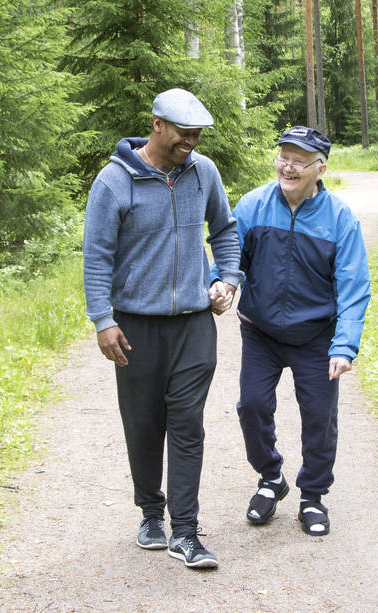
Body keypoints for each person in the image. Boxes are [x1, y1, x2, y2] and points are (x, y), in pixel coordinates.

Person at [82, 88, 241, 568]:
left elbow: (226, 230)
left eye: (196, 134)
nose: (190, 142)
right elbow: (96, 257)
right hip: (135, 327)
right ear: (156, 125)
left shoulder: (203, 172)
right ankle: (151, 512)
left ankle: (186, 531)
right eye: (182, 132)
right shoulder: (113, 183)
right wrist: (103, 320)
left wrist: (228, 278)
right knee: (144, 424)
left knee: (187, 423)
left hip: (194, 325)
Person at [218, 126, 371, 536]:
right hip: (261, 332)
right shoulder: (253, 205)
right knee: (251, 406)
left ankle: (312, 496)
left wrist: (344, 346)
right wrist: (223, 282)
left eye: (299, 160)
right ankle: (271, 479)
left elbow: (355, 287)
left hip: (316, 337)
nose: (288, 166)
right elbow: (230, 254)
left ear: (319, 168)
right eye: (283, 156)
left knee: (319, 417)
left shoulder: (339, 219)